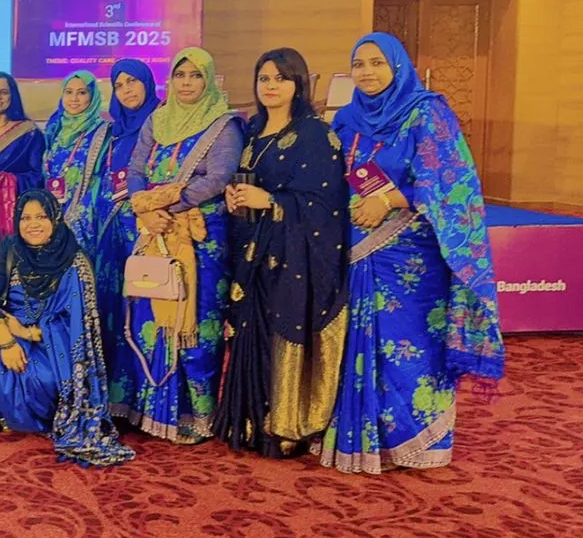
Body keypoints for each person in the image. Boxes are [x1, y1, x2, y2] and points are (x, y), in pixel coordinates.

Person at [321, 33, 504, 474]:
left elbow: (450, 185)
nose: (366, 72)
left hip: (411, 254)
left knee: (409, 343)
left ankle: (418, 440)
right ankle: (362, 438)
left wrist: (387, 201)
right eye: (359, 63)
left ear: (398, 66)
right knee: (359, 340)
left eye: (377, 63)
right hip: (356, 247)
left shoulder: (427, 113)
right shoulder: (346, 118)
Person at [214, 48, 349, 458]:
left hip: (294, 257)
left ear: (298, 83)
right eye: (264, 78)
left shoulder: (314, 134)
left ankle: (286, 423)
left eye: (280, 78)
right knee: (251, 331)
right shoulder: (253, 130)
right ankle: (251, 418)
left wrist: (271, 201)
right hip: (253, 252)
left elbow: (327, 204)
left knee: (283, 329)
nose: (270, 86)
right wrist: (235, 197)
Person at [111, 47, 245, 444]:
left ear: (208, 80)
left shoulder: (224, 125)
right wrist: (146, 209)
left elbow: (217, 179)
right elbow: (136, 169)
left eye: (195, 75)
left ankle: (199, 415)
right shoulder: (158, 119)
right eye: (180, 75)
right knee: (149, 314)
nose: (186, 83)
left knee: (196, 321)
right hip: (153, 230)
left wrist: (166, 206)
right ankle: (153, 408)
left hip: (200, 238)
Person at [0, 191, 134, 468]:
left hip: (54, 338)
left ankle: (35, 418)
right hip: (8, 327)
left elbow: (78, 321)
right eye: (25, 218)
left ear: (55, 219)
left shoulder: (74, 260)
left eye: (41, 217)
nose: (33, 224)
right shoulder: (9, 248)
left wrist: (29, 333)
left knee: (45, 377)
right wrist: (7, 339)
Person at [92, 60, 159, 375]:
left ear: (147, 82)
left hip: (145, 227)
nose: (126, 90)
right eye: (119, 85)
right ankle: (115, 385)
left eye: (132, 81)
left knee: (144, 304)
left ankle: (144, 383)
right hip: (111, 231)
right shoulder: (113, 130)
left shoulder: (163, 121)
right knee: (113, 304)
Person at [0, 72, 45, 254]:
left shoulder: (29, 133)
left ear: (12, 97)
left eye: (3, 92)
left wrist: (3, 182)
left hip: (13, 214)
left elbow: (39, 177)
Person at [42, 70, 109, 254]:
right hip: (51, 212)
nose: (74, 99)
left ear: (93, 96)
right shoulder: (55, 128)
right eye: (69, 92)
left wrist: (78, 216)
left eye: (82, 92)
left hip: (84, 217)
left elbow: (103, 179)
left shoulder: (103, 132)